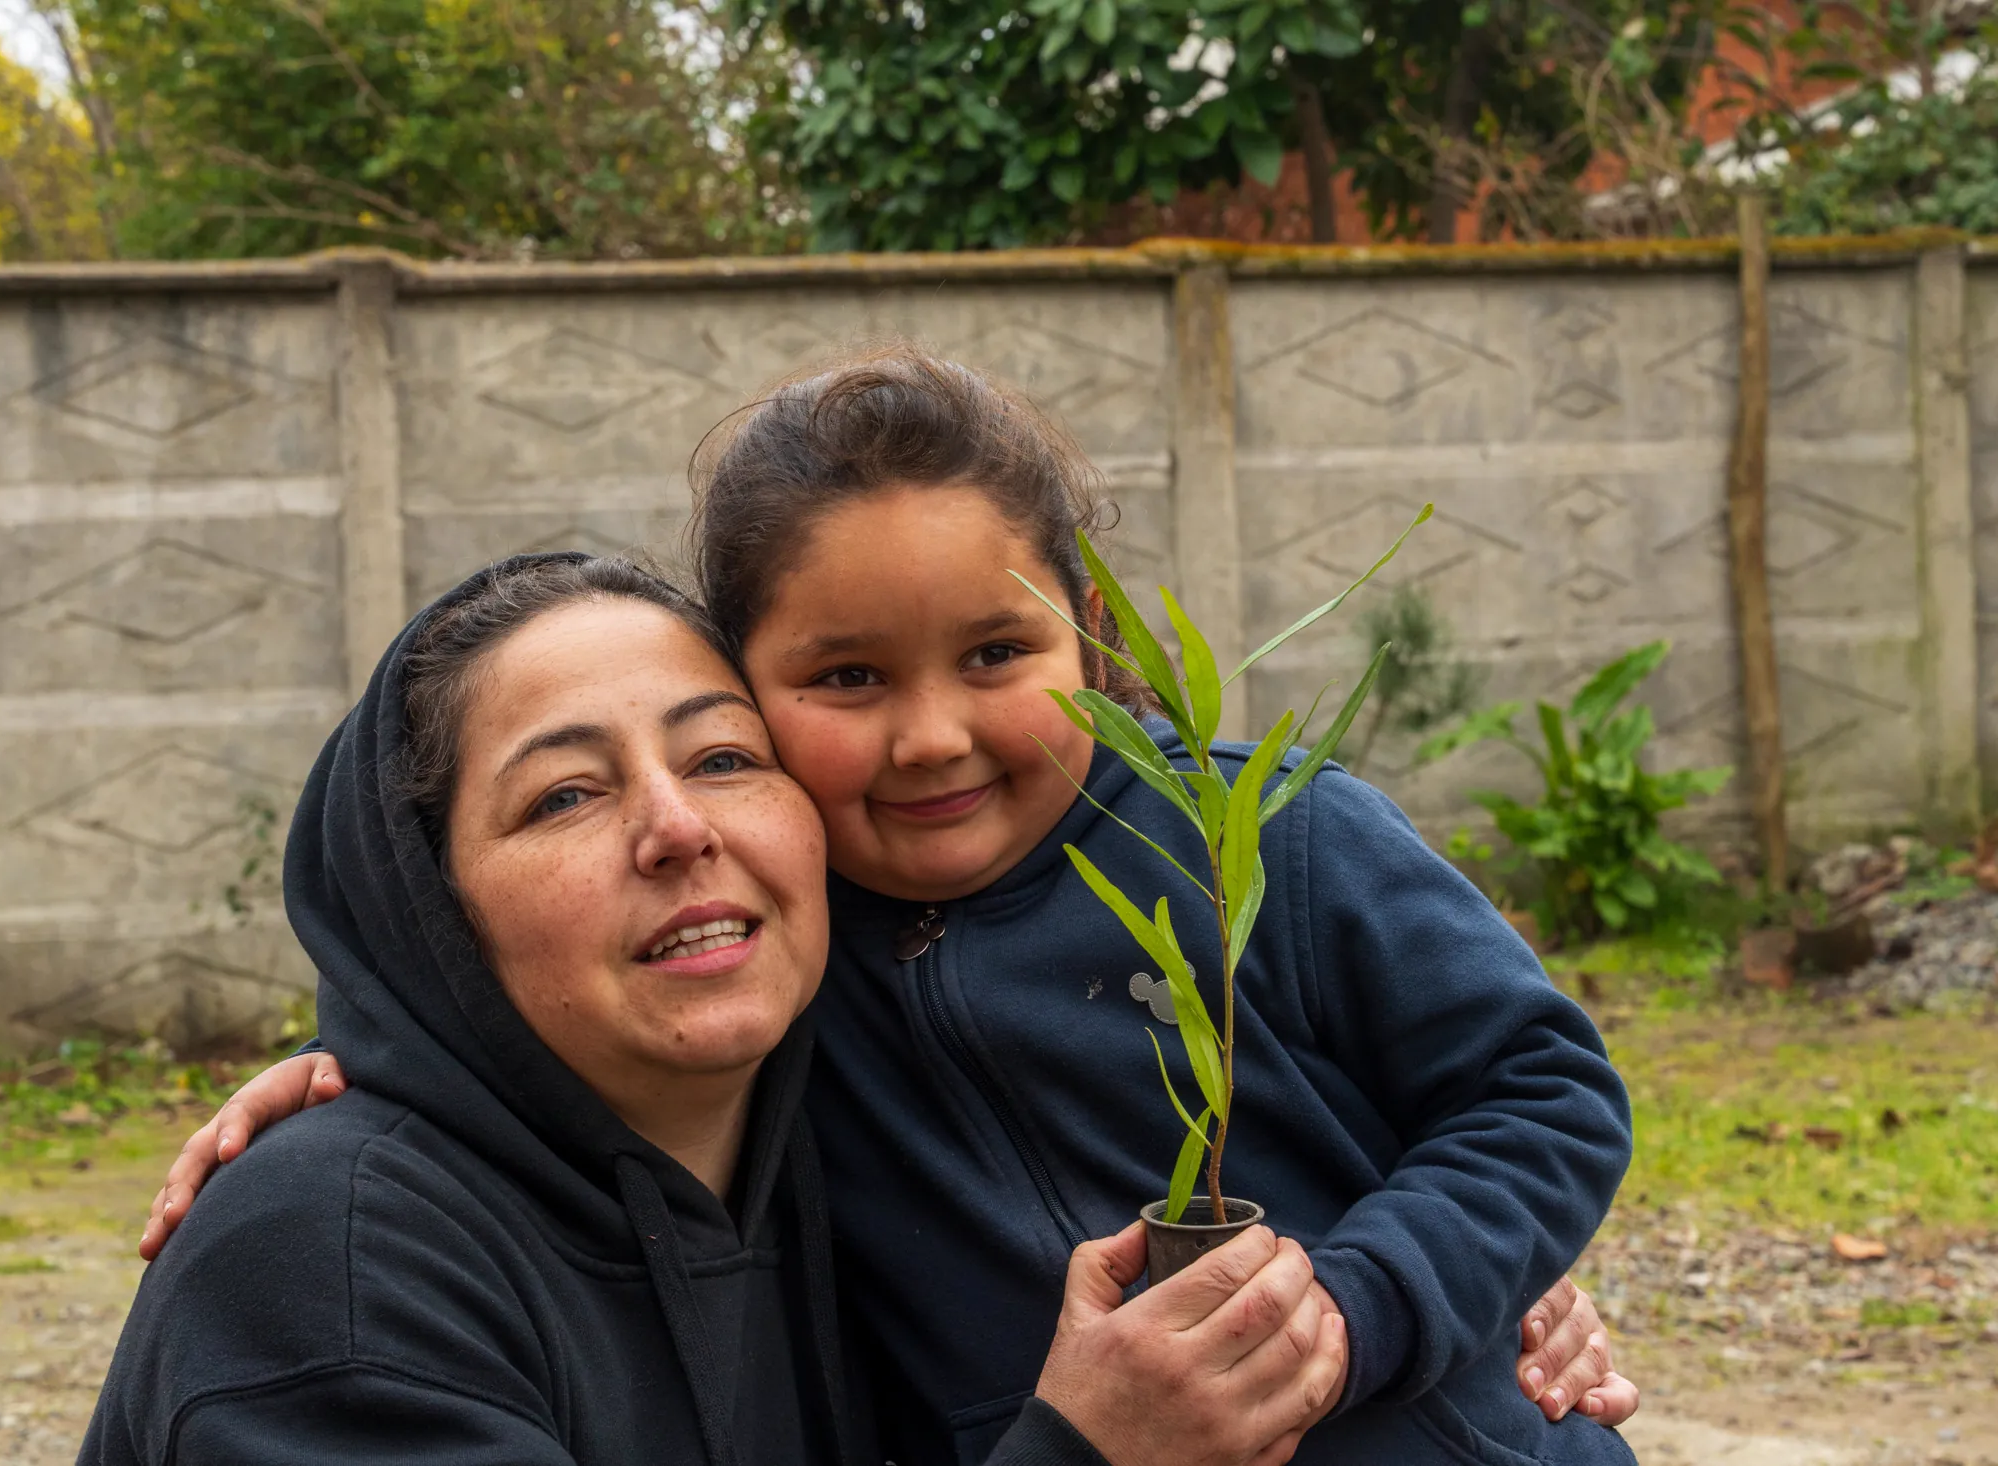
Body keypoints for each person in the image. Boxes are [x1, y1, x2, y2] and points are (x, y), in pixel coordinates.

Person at [143, 350, 1645, 1463]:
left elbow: (1540, 1088)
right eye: (849, 677)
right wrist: (367, 1075)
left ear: (1095, 634)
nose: (931, 734)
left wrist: (1403, 1292)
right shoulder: (795, 992)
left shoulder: (1250, 837)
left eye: (997, 650)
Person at [81, 552, 1352, 1466]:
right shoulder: (333, 1275)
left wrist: (1432, 1307)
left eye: (725, 759)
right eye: (565, 795)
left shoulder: (838, 1135)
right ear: (428, 916)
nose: (678, 827)